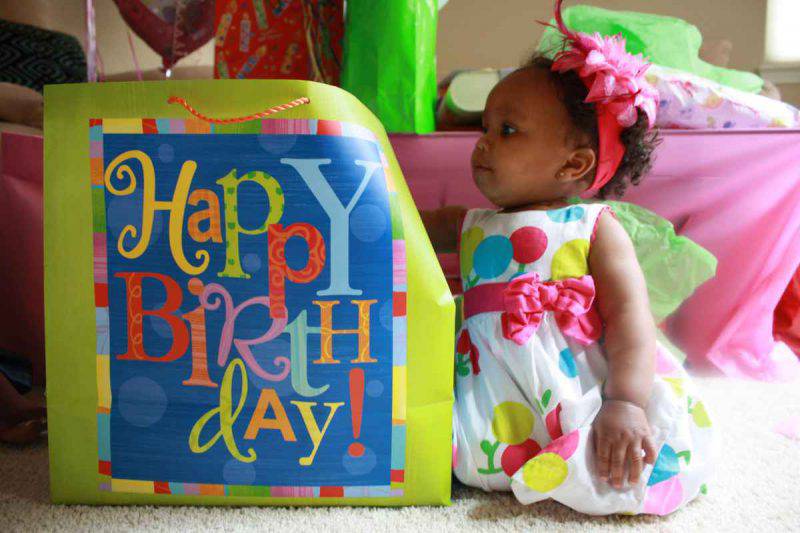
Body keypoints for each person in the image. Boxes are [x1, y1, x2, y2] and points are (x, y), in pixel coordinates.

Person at [422, 1, 713, 515]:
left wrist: (625, 401)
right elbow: (402, 220)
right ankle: (510, 458)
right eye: (484, 128)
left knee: (618, 455)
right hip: (491, 391)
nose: (483, 144)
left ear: (573, 163)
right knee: (435, 438)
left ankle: (579, 452)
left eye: (507, 130)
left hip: (572, 384)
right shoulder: (468, 224)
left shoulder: (592, 226)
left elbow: (630, 318)